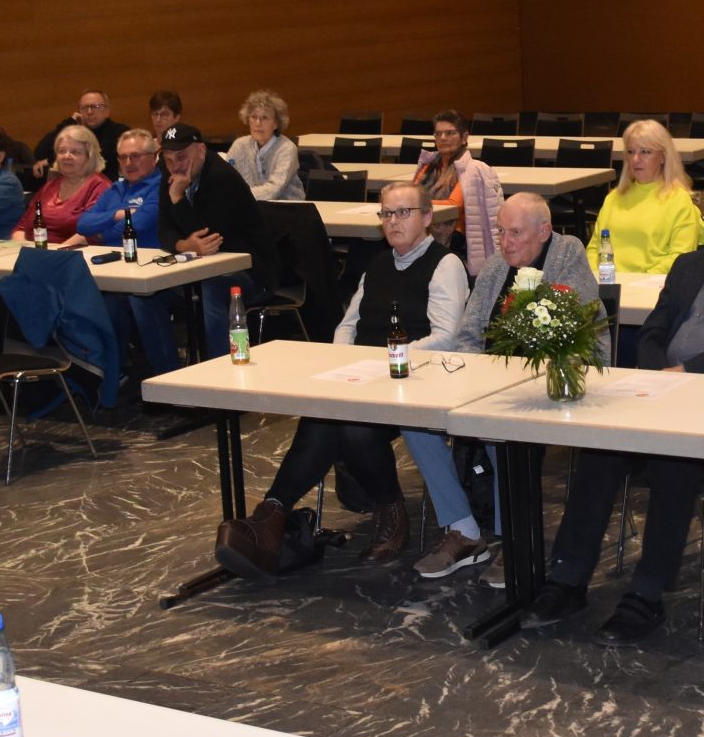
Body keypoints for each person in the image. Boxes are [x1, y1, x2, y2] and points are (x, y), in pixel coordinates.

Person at [528, 180, 704, 644]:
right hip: (661, 388)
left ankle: (646, 593)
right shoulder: (688, 266)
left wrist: (686, 374)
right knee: (600, 447)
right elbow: (653, 330)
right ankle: (567, 578)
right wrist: (660, 374)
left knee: (673, 458)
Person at [219, 184, 466, 575]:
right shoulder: (378, 264)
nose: (393, 221)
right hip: (363, 375)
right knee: (325, 413)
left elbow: (446, 337)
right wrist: (345, 364)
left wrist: (385, 361)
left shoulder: (444, 264)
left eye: (403, 212)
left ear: (426, 217)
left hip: (413, 379)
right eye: (387, 214)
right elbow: (348, 325)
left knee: (351, 424)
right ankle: (272, 516)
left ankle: (385, 510)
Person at [410, 194, 610, 580]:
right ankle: (464, 530)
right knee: (415, 420)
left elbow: (575, 326)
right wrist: (472, 375)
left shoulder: (566, 253)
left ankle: (515, 539)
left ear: (544, 231)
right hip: (489, 380)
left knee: (497, 429)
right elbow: (469, 331)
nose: (506, 242)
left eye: (515, 233)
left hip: (552, 379)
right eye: (501, 232)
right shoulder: (496, 266)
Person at [156, 123, 277, 359]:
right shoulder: (170, 175)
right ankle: (167, 372)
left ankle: (219, 368)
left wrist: (178, 199)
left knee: (207, 289)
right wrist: (185, 246)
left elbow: (210, 239)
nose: (174, 166)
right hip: (201, 269)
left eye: (181, 157)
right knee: (145, 295)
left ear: (201, 151)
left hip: (251, 272)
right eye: (168, 159)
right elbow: (164, 231)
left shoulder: (222, 178)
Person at [78, 130, 180, 377]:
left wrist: (104, 232)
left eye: (135, 156)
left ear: (154, 157)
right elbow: (82, 224)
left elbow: (141, 223)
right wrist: (119, 215)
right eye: (123, 157)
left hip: (157, 272)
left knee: (134, 301)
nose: (128, 163)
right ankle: (113, 375)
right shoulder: (116, 189)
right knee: (87, 301)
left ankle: (167, 375)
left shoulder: (161, 186)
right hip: (115, 272)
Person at [585, 119, 704, 279]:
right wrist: (597, 276)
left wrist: (639, 279)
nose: (636, 159)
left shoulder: (678, 200)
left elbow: (680, 256)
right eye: (631, 152)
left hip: (652, 284)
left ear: (662, 157)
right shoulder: (613, 198)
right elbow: (594, 248)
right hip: (607, 282)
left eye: (645, 152)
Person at [413, 110, 504, 274]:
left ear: (464, 137)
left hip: (456, 235)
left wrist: (417, 203)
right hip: (424, 226)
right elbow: (411, 194)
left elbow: (453, 205)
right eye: (438, 134)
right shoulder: (428, 166)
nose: (442, 138)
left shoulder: (471, 169)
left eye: (450, 133)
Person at [19, 126, 111, 248]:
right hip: (33, 252)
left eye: (75, 152)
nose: (66, 156)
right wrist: (21, 248)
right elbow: (21, 226)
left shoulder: (99, 186)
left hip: (71, 254)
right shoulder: (50, 186)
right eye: (62, 151)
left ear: (89, 156)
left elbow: (91, 232)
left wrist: (55, 252)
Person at [225, 89, 302, 201]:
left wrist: (240, 195)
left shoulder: (287, 149)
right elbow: (226, 181)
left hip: (285, 208)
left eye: (264, 118)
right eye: (253, 117)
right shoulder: (239, 145)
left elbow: (274, 190)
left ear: (276, 123)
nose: (258, 123)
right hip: (249, 206)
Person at [31, 91, 125, 180]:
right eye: (84, 108)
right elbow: (40, 153)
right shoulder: (76, 133)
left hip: (105, 185)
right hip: (75, 184)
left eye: (96, 106)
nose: (89, 112)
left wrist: (49, 161)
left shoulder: (120, 132)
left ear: (107, 111)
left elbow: (97, 160)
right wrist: (70, 122)